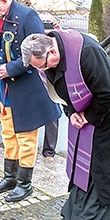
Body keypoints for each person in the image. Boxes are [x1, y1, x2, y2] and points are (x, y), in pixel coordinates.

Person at [21, 31, 110, 220]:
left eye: (43, 66)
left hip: (108, 115)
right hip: (84, 114)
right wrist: (72, 114)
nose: (43, 71)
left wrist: (87, 116)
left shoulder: (86, 53)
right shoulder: (50, 58)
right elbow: (62, 94)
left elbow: (108, 94)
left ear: (51, 51)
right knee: (80, 165)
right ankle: (72, 217)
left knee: (99, 168)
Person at [0, 0, 61, 202]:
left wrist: (10, 69)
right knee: (8, 135)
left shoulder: (27, 16)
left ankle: (25, 184)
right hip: (5, 89)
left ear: (4, 0)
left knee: (26, 138)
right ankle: (9, 177)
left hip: (25, 89)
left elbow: (38, 53)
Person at [38, 12, 62, 162]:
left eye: (49, 22)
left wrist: (58, 31)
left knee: (53, 116)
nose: (46, 25)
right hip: (35, 81)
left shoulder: (59, 38)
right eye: (43, 22)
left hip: (52, 83)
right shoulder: (34, 38)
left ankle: (49, 152)